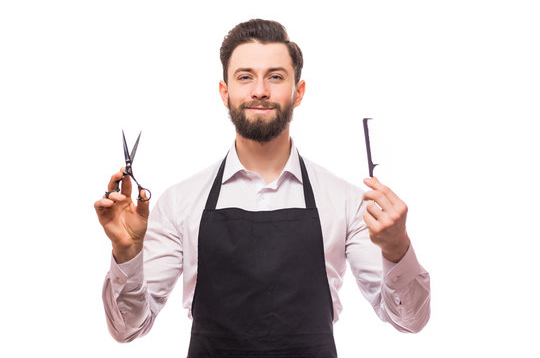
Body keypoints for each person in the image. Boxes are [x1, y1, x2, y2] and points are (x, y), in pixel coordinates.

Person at [95, 19, 430, 357]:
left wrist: (397, 248)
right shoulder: (180, 202)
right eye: (245, 77)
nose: (259, 91)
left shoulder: (344, 201)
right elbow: (127, 328)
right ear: (225, 93)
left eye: (275, 76)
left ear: (297, 92)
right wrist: (127, 253)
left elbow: (408, 320)